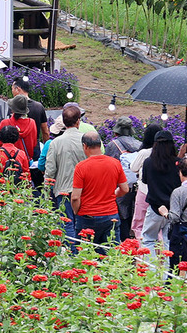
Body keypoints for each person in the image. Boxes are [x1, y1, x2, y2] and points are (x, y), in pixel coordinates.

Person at [69, 131, 128, 251]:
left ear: (85, 146)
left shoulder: (81, 167)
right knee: (111, 255)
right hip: (111, 215)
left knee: (84, 255)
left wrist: (76, 211)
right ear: (100, 145)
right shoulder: (115, 163)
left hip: (88, 216)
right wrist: (113, 195)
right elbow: (125, 189)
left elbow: (75, 197)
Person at [44, 105, 87, 241]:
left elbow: (50, 170)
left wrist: (47, 191)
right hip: (83, 190)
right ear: (78, 121)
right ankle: (82, 253)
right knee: (82, 224)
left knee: (66, 223)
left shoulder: (55, 143)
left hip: (63, 190)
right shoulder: (86, 141)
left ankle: (71, 254)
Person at [104, 117, 143, 241]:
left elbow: (108, 165)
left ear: (116, 131)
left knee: (121, 215)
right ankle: (134, 242)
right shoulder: (139, 144)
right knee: (134, 213)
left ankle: (123, 242)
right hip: (137, 184)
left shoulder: (112, 145)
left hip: (120, 185)